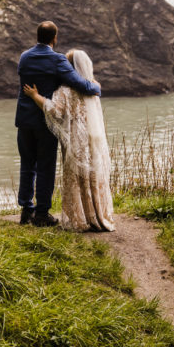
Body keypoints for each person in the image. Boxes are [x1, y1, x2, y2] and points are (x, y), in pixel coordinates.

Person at [15, 21, 100, 227]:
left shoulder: (24, 57)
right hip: (46, 121)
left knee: (27, 165)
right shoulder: (57, 60)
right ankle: (42, 214)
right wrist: (95, 88)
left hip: (24, 119)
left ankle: (26, 210)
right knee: (45, 167)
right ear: (55, 38)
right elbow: (78, 83)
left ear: (37, 35)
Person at [23, 48, 115, 232]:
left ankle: (80, 219)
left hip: (76, 138)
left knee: (77, 177)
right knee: (93, 175)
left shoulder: (65, 90)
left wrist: (35, 96)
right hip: (93, 137)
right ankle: (97, 215)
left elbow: (54, 110)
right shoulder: (93, 86)